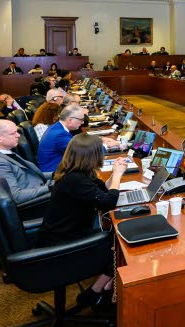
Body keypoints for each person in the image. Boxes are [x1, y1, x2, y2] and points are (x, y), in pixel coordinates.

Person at [39, 134, 127, 312]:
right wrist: (118, 176)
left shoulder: (74, 172)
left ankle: (106, 288)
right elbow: (107, 203)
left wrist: (114, 174)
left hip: (64, 232)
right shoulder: (76, 180)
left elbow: (102, 192)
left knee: (114, 239)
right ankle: (94, 293)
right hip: (64, 243)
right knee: (120, 251)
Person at [0, 120, 52, 204]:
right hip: (38, 202)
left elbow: (30, 175)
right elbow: (16, 196)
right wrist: (49, 187)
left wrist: (54, 175)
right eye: (13, 133)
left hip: (39, 188)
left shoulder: (5, 152)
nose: (18, 135)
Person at [36, 105, 87, 172]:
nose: (82, 122)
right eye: (81, 120)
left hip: (56, 167)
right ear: (69, 120)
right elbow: (82, 153)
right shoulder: (60, 134)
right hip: (55, 173)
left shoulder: (56, 127)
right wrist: (103, 146)